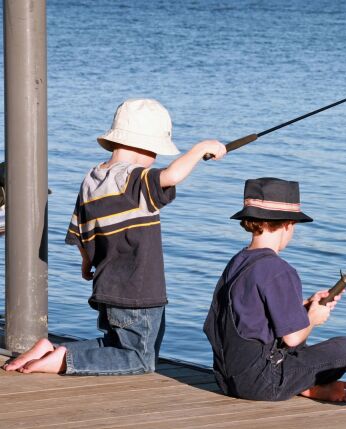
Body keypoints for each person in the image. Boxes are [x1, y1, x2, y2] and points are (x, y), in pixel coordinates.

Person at [2, 98, 227, 375]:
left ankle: (51, 350)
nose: (155, 159)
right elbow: (171, 176)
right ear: (143, 146)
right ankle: (62, 361)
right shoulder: (133, 180)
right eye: (155, 151)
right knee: (141, 359)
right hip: (139, 292)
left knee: (115, 344)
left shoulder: (92, 178)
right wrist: (202, 149)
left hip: (106, 286)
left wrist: (87, 264)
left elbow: (80, 233)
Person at [203, 177, 346, 402]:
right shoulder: (278, 269)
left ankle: (301, 385)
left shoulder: (238, 261)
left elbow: (251, 313)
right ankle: (302, 385)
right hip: (263, 383)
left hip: (227, 379)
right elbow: (293, 338)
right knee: (345, 349)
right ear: (287, 225)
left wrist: (305, 305)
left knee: (296, 326)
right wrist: (313, 318)